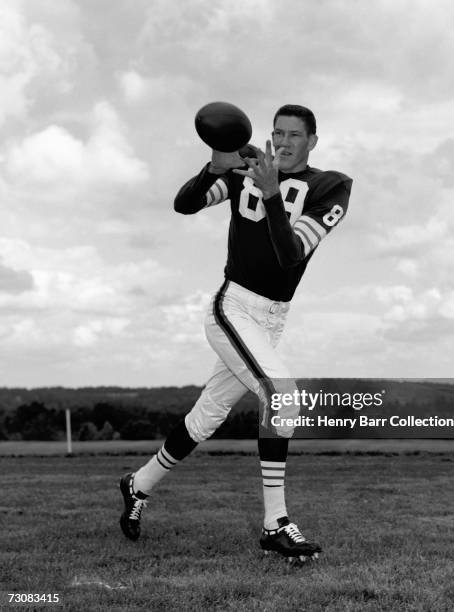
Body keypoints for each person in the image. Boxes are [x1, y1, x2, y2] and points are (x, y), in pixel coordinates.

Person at [119, 104, 353, 563]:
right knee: (282, 393)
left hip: (271, 319)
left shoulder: (331, 186)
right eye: (277, 133)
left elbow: (290, 255)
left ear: (313, 142)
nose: (283, 143)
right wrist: (214, 167)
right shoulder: (249, 165)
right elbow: (184, 204)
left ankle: (137, 485)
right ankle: (275, 524)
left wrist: (270, 194)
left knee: (207, 416)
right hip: (233, 306)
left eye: (294, 136)